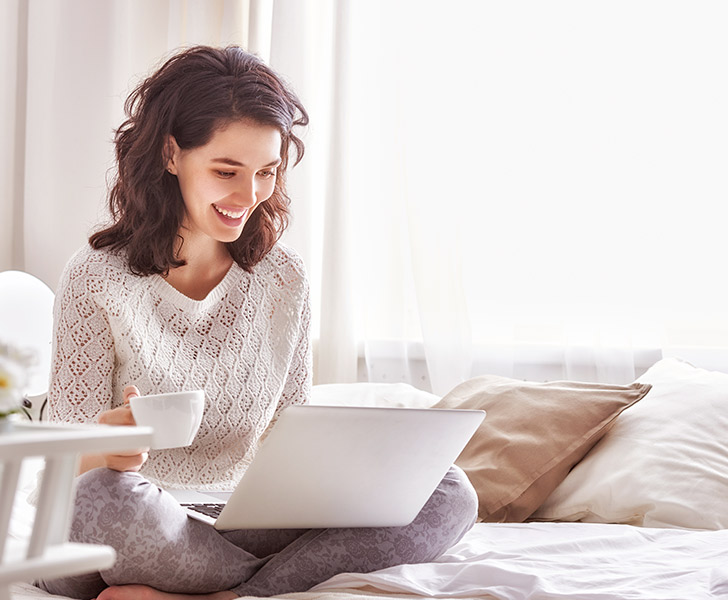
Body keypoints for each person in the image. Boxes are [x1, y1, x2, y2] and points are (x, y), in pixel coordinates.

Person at [37, 45, 478, 600]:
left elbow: (287, 437)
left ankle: (232, 594)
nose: (249, 196)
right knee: (102, 499)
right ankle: (252, 585)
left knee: (448, 490)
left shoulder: (284, 281)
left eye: (266, 172)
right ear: (172, 155)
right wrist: (111, 447)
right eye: (227, 171)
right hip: (116, 518)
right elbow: (66, 464)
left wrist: (342, 472)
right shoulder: (96, 276)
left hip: (235, 521)